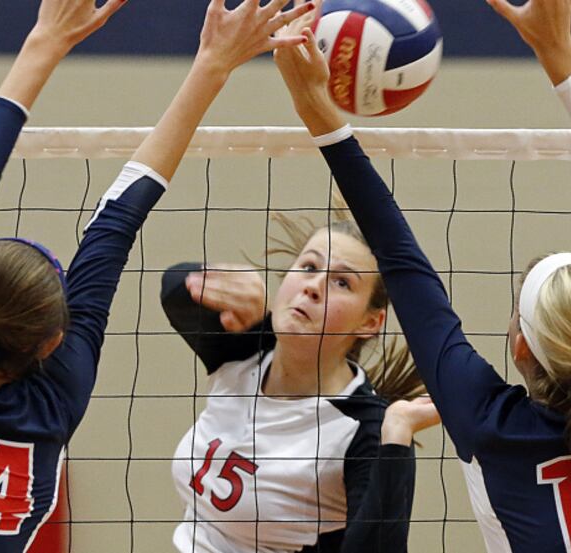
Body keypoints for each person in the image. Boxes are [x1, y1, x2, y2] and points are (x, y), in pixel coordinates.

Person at [0, 0, 313, 551]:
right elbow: (114, 224)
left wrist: (44, 41)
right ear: (52, 341)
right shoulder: (55, 398)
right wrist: (211, 65)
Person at [271, 0, 571, 551]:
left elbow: (402, 262)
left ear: (520, 346)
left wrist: (312, 101)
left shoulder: (492, 426)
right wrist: (561, 52)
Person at [161, 183, 440, 549]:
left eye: (341, 282)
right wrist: (219, 282)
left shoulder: (363, 431)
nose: (313, 287)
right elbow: (174, 292)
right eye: (308, 267)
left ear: (370, 322)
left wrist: (397, 439)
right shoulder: (246, 350)